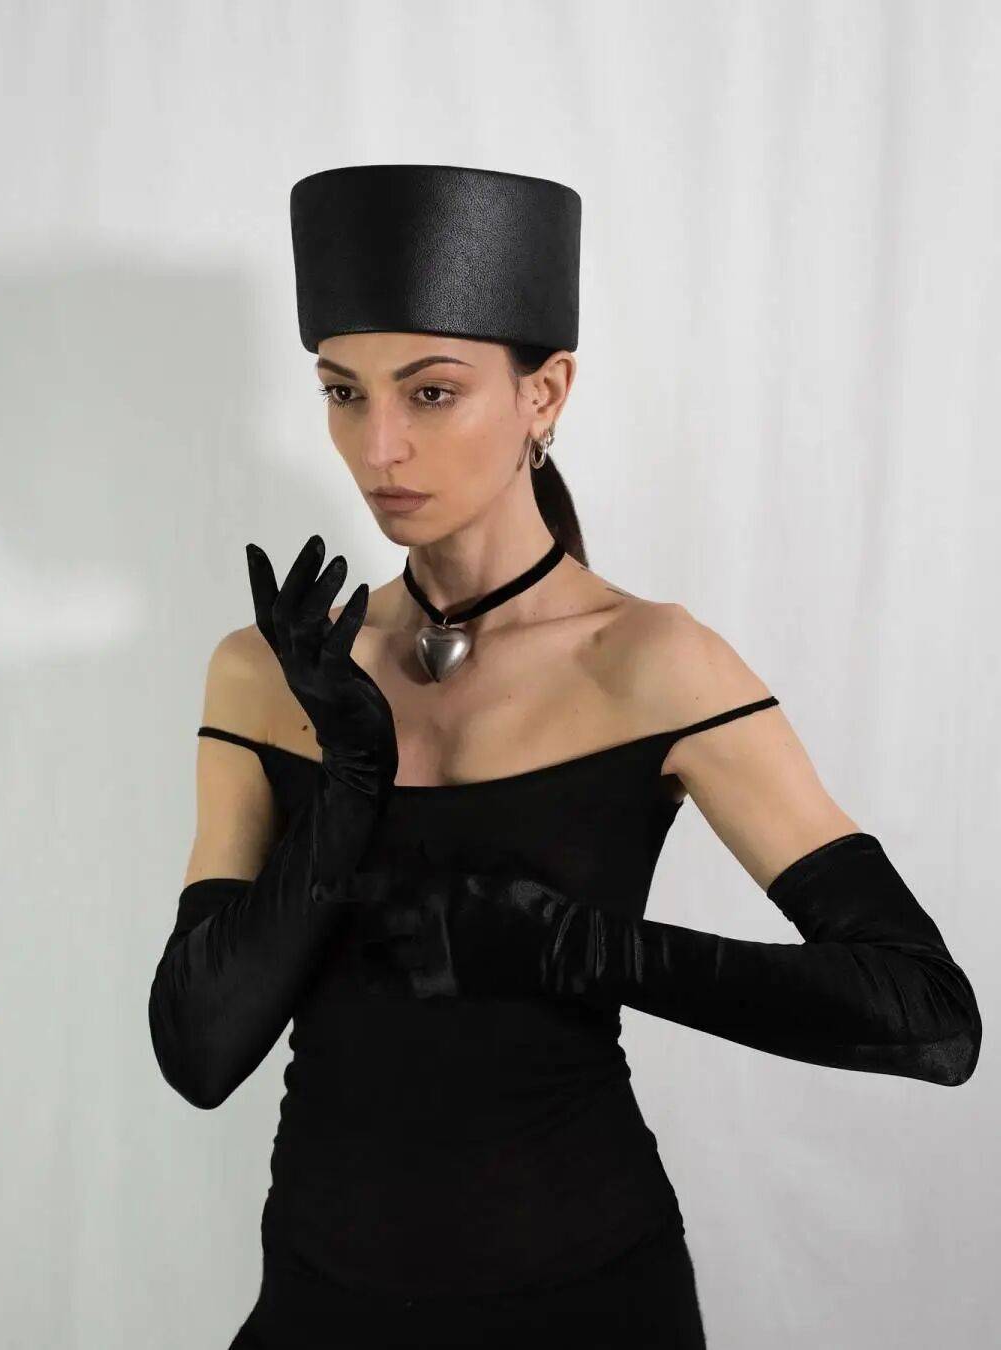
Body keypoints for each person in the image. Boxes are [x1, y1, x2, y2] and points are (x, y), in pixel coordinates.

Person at [148, 165, 981, 1349]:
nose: (378, 445)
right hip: (322, 1307)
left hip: (590, 1302)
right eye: (343, 392)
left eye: (432, 392)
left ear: (544, 394)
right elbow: (199, 1050)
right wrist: (348, 786)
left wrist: (577, 946)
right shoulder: (272, 670)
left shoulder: (649, 662)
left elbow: (929, 1014)